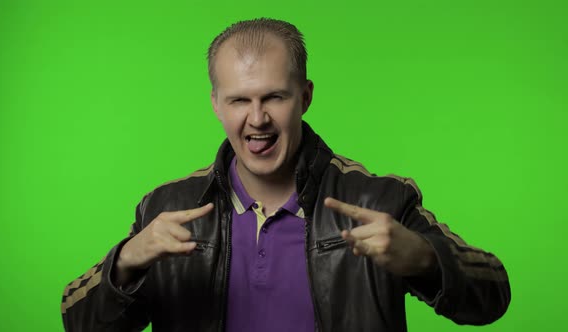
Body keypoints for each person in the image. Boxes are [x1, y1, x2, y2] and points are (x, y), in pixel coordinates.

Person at [61, 18, 511, 332]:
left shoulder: (378, 202)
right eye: (239, 101)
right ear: (216, 104)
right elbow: (77, 320)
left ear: (305, 97)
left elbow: (494, 294)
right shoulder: (167, 209)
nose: (257, 119)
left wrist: (427, 261)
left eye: (274, 97)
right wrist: (126, 262)